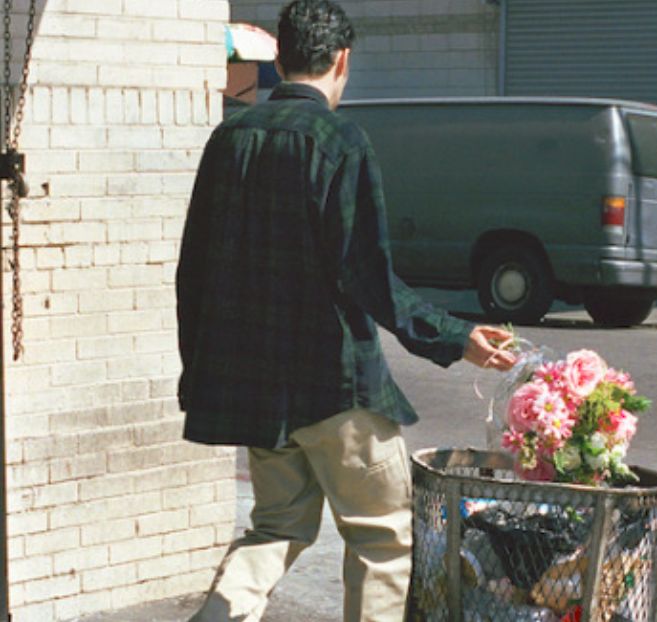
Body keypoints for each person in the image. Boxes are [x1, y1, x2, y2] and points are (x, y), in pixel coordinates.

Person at [176, 1, 517, 620]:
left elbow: (193, 273)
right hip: (335, 388)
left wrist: (195, 369)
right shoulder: (341, 141)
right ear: (343, 60)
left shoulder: (227, 140)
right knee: (381, 539)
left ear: (279, 58)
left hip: (257, 391)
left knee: (276, 527)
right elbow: (369, 277)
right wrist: (455, 336)